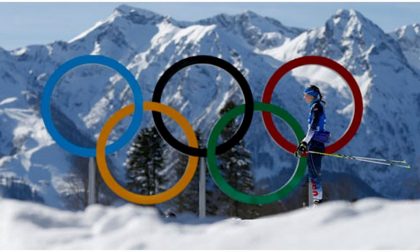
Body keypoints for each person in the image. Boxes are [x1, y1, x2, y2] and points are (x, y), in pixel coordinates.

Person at [295, 85, 330, 205]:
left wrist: (304, 143)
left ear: (311, 96)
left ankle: (318, 201)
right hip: (315, 143)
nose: (304, 98)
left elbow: (313, 128)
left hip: (315, 143)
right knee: (312, 172)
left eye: (306, 95)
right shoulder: (316, 107)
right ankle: (317, 200)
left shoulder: (316, 108)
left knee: (314, 174)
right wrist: (304, 144)